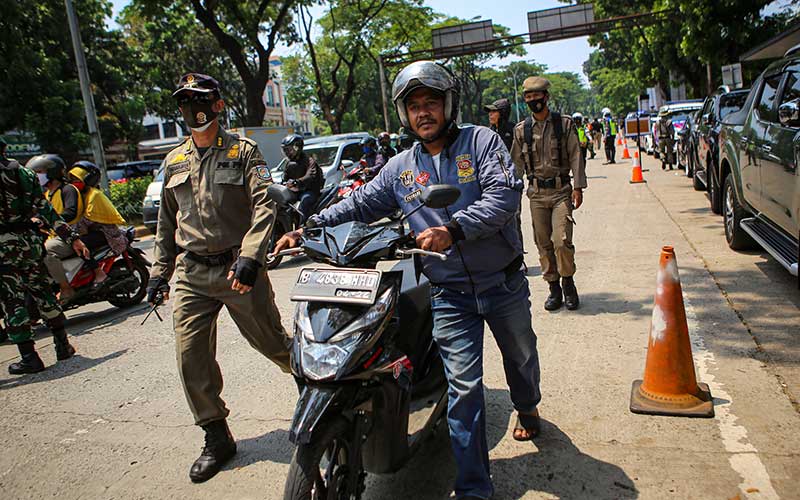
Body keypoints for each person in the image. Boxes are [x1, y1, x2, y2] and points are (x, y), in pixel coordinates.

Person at [275, 61, 542, 500]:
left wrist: (452, 229)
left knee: (521, 357)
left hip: (502, 282)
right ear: (405, 114)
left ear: (448, 105)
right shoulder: (401, 167)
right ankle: (475, 488)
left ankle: (527, 405)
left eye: (431, 103)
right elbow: (359, 202)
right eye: (414, 106)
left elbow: (504, 195)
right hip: (450, 293)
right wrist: (306, 230)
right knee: (465, 388)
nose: (424, 113)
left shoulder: (481, 142)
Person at [148, 72, 292, 483]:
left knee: (273, 344)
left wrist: (251, 257)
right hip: (191, 273)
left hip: (237, 269)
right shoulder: (173, 161)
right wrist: (159, 273)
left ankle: (318, 394)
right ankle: (216, 435)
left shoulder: (244, 152)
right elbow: (165, 222)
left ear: (217, 105)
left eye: (201, 99)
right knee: (190, 356)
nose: (193, 108)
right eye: (185, 101)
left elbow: (265, 205)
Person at [1, 148, 87, 374]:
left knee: (13, 301)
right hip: (30, 245)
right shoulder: (25, 175)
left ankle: (30, 357)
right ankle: (62, 345)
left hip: (3, 250)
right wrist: (72, 238)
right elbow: (47, 210)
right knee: (43, 293)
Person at [510, 76, 586, 311]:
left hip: (561, 191)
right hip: (536, 194)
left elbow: (575, 155)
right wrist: (510, 193)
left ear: (546, 97)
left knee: (560, 241)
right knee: (542, 243)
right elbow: (516, 164)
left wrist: (578, 186)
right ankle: (553, 287)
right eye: (529, 97)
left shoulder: (563, 125)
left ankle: (568, 283)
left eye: (537, 96)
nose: (534, 101)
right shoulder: (521, 130)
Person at [28, 155, 84, 300]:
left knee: (46, 251)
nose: (37, 176)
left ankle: (65, 288)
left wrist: (47, 221)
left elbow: (70, 213)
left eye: (40, 172)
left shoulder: (67, 190)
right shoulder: (47, 194)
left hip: (72, 234)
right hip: (56, 236)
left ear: (52, 172)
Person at [67, 162, 128, 286]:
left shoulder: (94, 195)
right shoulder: (80, 194)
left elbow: (88, 219)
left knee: (79, 244)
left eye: (77, 179)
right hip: (90, 231)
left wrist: (74, 229)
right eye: (72, 179)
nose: (74, 182)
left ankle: (98, 272)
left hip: (105, 233)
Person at [281, 133, 322, 222]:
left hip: (309, 191)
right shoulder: (289, 163)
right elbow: (285, 178)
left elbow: (310, 175)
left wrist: (297, 182)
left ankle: (303, 226)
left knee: (305, 201)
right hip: (295, 191)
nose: (287, 153)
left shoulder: (309, 161)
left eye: (288, 150)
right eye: (285, 150)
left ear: (297, 147)